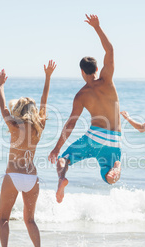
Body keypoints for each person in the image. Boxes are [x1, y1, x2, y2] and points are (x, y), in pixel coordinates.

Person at [48, 14, 122, 203]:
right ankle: (116, 168)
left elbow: (70, 124)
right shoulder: (107, 81)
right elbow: (110, 50)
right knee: (109, 178)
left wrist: (57, 149)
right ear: (97, 69)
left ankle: (61, 180)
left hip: (93, 137)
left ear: (82, 72)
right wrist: (97, 27)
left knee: (64, 159)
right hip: (114, 139)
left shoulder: (81, 95)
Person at [0, 60, 56, 247]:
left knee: (4, 218)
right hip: (32, 177)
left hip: (13, 175)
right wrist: (47, 77)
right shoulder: (39, 126)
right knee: (30, 220)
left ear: (19, 110)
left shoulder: (13, 125)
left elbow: (4, 107)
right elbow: (44, 100)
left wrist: (0, 85)